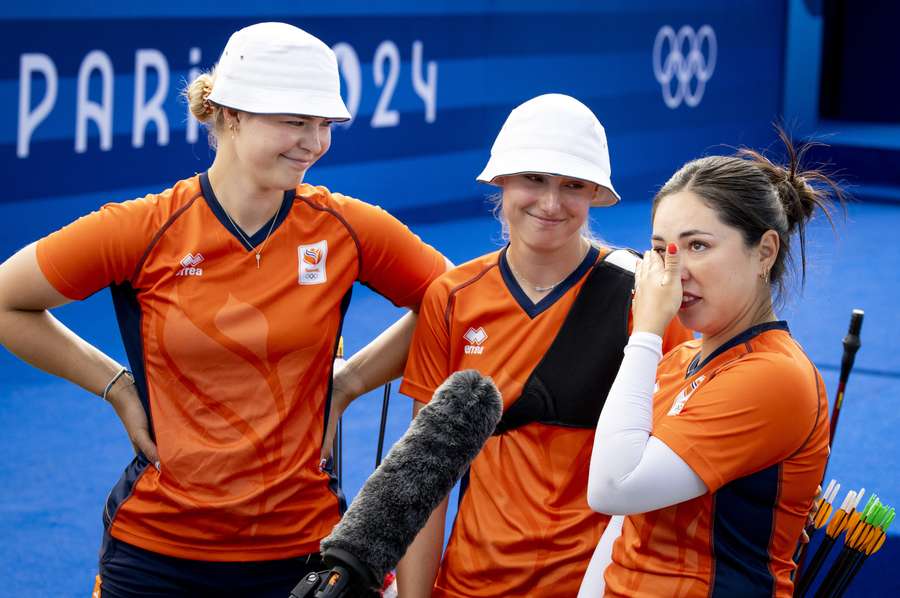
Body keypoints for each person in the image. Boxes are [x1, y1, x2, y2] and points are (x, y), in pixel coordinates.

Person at [0, 23, 448, 597]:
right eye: (293, 121)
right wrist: (114, 385)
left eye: (325, 125)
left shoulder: (346, 228)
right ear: (229, 116)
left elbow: (454, 305)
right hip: (154, 552)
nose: (313, 142)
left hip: (302, 549)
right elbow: (9, 299)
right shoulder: (142, 227)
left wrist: (350, 381)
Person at [396, 94, 693, 597]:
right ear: (501, 182)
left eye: (572, 186)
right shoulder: (452, 298)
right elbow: (425, 480)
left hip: (597, 586)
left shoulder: (645, 297)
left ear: (595, 194)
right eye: (533, 179)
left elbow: (671, 468)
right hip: (468, 585)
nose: (551, 203)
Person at [582, 132, 840, 597]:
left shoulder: (774, 376)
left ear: (764, 251)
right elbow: (624, 525)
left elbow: (611, 488)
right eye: (662, 249)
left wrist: (645, 333)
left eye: (698, 245)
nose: (673, 270)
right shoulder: (679, 359)